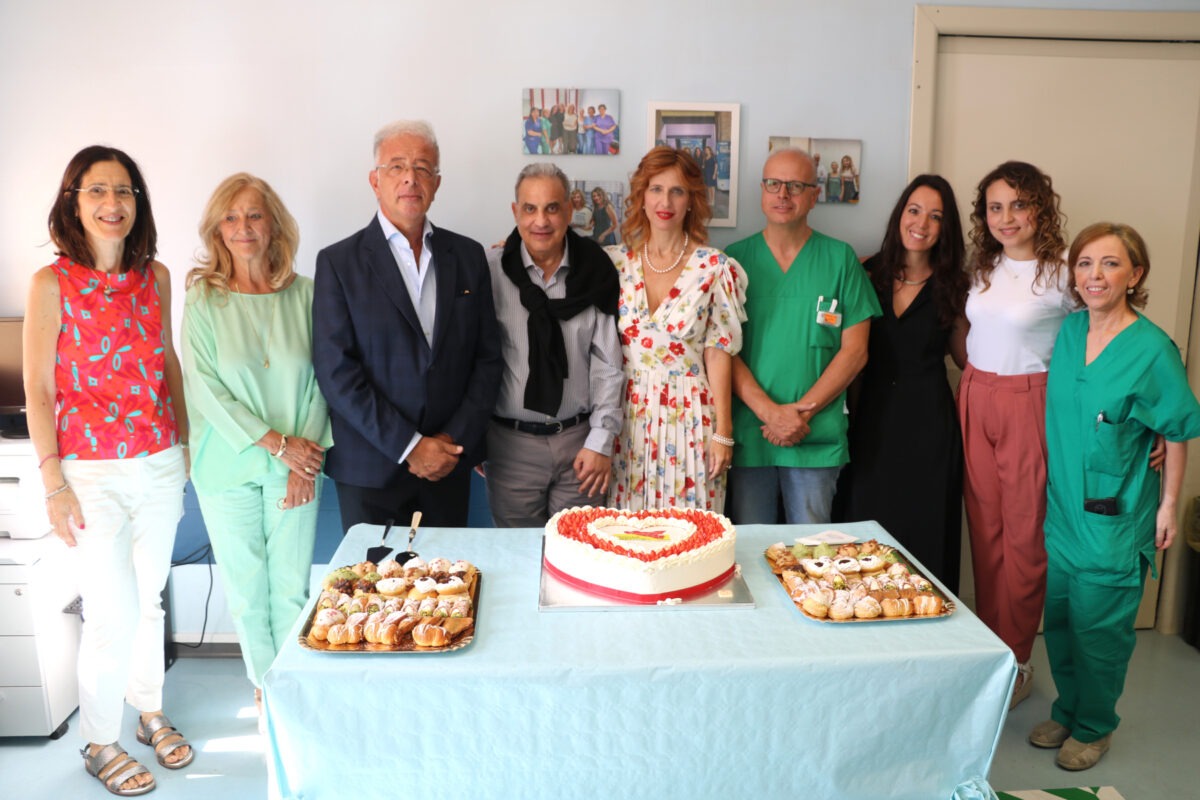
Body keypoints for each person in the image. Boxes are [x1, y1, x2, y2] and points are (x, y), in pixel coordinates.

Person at [25, 145, 191, 795]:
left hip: (158, 463)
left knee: (147, 600)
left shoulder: (157, 277)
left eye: (124, 192)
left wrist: (184, 444)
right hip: (89, 471)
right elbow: (39, 390)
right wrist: (53, 483)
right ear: (73, 201)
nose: (112, 204)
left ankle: (148, 712)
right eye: (97, 191)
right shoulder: (50, 284)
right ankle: (99, 741)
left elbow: (168, 362)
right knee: (110, 610)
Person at [1030, 223, 1200, 769]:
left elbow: (1175, 429)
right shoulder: (1071, 333)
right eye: (1084, 264)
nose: (1094, 275)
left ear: (1136, 274)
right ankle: (1069, 708)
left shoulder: (1152, 350)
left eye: (1109, 264)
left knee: (1099, 630)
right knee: (1058, 620)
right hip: (1063, 512)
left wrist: (1169, 505)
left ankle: (1096, 726)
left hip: (1114, 516)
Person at [181, 173, 329, 713]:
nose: (243, 227)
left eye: (254, 215)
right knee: (247, 594)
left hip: (297, 466)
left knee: (291, 590)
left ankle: (293, 692)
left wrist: (301, 461)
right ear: (218, 230)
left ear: (275, 225)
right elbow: (204, 389)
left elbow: (323, 382)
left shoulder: (307, 294)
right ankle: (268, 693)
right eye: (231, 217)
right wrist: (275, 444)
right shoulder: (202, 299)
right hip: (226, 467)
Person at [313, 120, 501, 531]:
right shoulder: (339, 263)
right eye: (396, 166)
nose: (410, 178)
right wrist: (410, 446)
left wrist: (449, 443)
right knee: (372, 592)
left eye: (422, 167)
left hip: (448, 467)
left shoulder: (467, 257)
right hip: (371, 468)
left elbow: (487, 360)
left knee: (450, 590)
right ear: (374, 181)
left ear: (437, 182)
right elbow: (336, 372)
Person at [956, 160, 1072, 709]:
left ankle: (1018, 659)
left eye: (1019, 204)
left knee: (1025, 538)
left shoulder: (1065, 273)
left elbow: (1101, 342)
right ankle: (991, 652)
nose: (1007, 217)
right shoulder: (983, 267)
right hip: (976, 396)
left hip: (1031, 400)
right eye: (995, 206)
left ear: (1040, 209)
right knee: (985, 532)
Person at [727, 148, 880, 524]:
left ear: (814, 195)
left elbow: (856, 352)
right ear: (761, 191)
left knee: (811, 553)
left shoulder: (840, 259)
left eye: (796, 186)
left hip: (815, 435)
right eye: (774, 184)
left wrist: (800, 414)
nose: (783, 195)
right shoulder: (732, 260)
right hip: (752, 432)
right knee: (748, 550)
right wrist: (770, 414)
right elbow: (722, 351)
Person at [837, 175, 968, 592]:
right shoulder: (866, 272)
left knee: (925, 535)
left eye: (936, 217)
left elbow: (971, 363)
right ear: (900, 215)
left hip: (930, 427)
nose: (922, 224)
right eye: (915, 211)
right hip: (870, 423)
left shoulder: (955, 288)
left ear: (945, 229)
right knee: (864, 538)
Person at [605, 146, 747, 512]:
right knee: (628, 536)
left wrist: (724, 435)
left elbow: (719, 352)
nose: (665, 201)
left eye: (677, 191)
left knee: (691, 536)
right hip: (627, 421)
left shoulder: (713, 267)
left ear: (691, 201)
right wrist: (514, 246)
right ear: (641, 196)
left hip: (691, 419)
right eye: (655, 189)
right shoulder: (614, 262)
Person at [484, 164, 622, 525]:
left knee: (582, 561)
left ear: (569, 211)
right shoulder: (490, 272)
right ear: (515, 212)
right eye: (529, 208)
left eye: (552, 208)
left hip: (581, 445)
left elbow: (608, 364)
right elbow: (470, 359)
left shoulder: (595, 271)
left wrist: (600, 441)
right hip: (510, 447)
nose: (540, 221)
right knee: (519, 561)